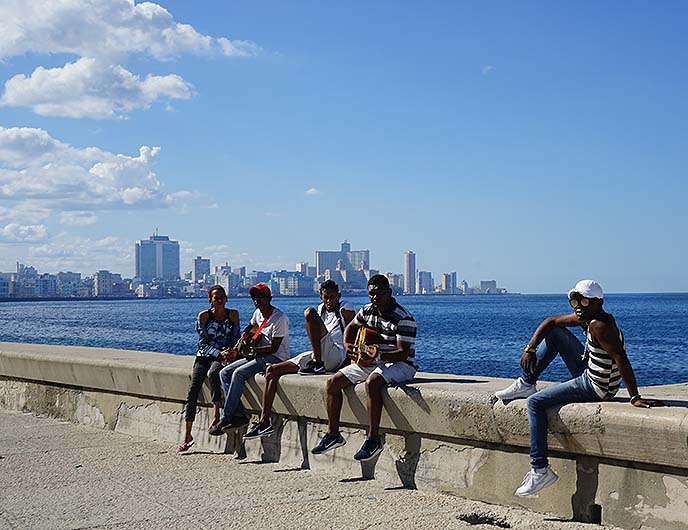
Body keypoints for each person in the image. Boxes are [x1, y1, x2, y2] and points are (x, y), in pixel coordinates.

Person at [495, 279, 663, 497]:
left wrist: (635, 397)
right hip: (590, 369)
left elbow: (621, 358)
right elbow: (551, 321)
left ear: (597, 303)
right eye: (574, 300)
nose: (577, 306)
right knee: (555, 333)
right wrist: (530, 348)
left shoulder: (600, 326)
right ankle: (527, 382)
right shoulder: (588, 317)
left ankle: (540, 469)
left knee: (534, 403)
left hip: (596, 385)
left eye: (583, 301)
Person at [311, 274, 417, 461]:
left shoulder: (404, 318)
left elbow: (402, 352)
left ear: (389, 293)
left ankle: (373, 439)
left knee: (372, 383)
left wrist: (378, 355)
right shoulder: (367, 310)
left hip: (400, 364)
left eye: (379, 293)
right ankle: (333, 434)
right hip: (373, 361)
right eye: (371, 294)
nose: (374, 298)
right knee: (333, 382)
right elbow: (351, 327)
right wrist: (348, 346)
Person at [242, 280, 355, 440]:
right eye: (326, 297)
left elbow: (356, 331)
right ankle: (264, 422)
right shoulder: (321, 309)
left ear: (338, 296)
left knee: (309, 313)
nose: (329, 301)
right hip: (321, 353)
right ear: (321, 298)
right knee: (272, 370)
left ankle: (318, 364)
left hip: (336, 355)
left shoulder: (345, 307)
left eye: (332, 297)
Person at [209, 283, 290, 436]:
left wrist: (251, 350)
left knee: (239, 373)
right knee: (224, 373)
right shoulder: (257, 314)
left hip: (275, 357)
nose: (257, 300)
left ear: (269, 298)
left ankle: (227, 417)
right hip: (258, 354)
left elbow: (274, 347)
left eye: (261, 297)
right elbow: (250, 327)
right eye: (254, 297)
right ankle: (238, 414)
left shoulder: (279, 318)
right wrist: (243, 339)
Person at [177, 285, 240, 453]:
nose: (219, 300)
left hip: (223, 356)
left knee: (214, 373)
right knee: (193, 390)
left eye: (221, 297)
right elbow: (202, 343)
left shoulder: (232, 315)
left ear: (226, 299)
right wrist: (219, 353)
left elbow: (236, 338)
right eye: (215, 298)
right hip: (206, 355)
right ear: (210, 300)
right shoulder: (204, 317)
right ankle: (187, 434)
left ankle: (216, 415)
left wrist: (231, 352)